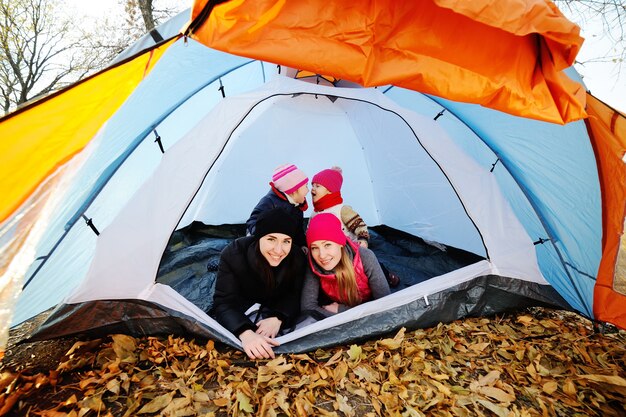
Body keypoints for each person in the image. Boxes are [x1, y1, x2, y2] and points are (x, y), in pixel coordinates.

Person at [212, 208, 306, 359]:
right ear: (259, 237)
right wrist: (245, 333)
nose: (278, 250)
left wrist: (278, 318)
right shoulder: (233, 255)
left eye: (286, 241)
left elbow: (295, 294)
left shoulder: (297, 257)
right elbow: (223, 303)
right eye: (271, 239)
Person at [310, 166, 400, 286]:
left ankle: (385, 275)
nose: (312, 189)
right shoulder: (314, 213)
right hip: (330, 252)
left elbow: (360, 226)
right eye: (312, 185)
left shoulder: (342, 210)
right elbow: (310, 232)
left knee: (366, 262)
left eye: (317, 186)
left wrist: (363, 239)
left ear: (330, 190)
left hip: (351, 249)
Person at [301, 213, 391, 319]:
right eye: (314, 248)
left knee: (385, 275)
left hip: (367, 288)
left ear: (340, 244)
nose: (322, 255)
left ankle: (389, 276)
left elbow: (385, 303)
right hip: (347, 301)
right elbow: (307, 307)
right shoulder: (313, 264)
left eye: (327, 245)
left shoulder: (365, 257)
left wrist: (343, 310)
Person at [246, 163, 309, 248]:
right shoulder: (270, 202)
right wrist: (265, 235)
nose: (308, 191)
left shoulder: (297, 206)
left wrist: (302, 245)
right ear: (294, 190)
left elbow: (298, 231)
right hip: (266, 248)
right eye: (305, 186)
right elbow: (253, 221)